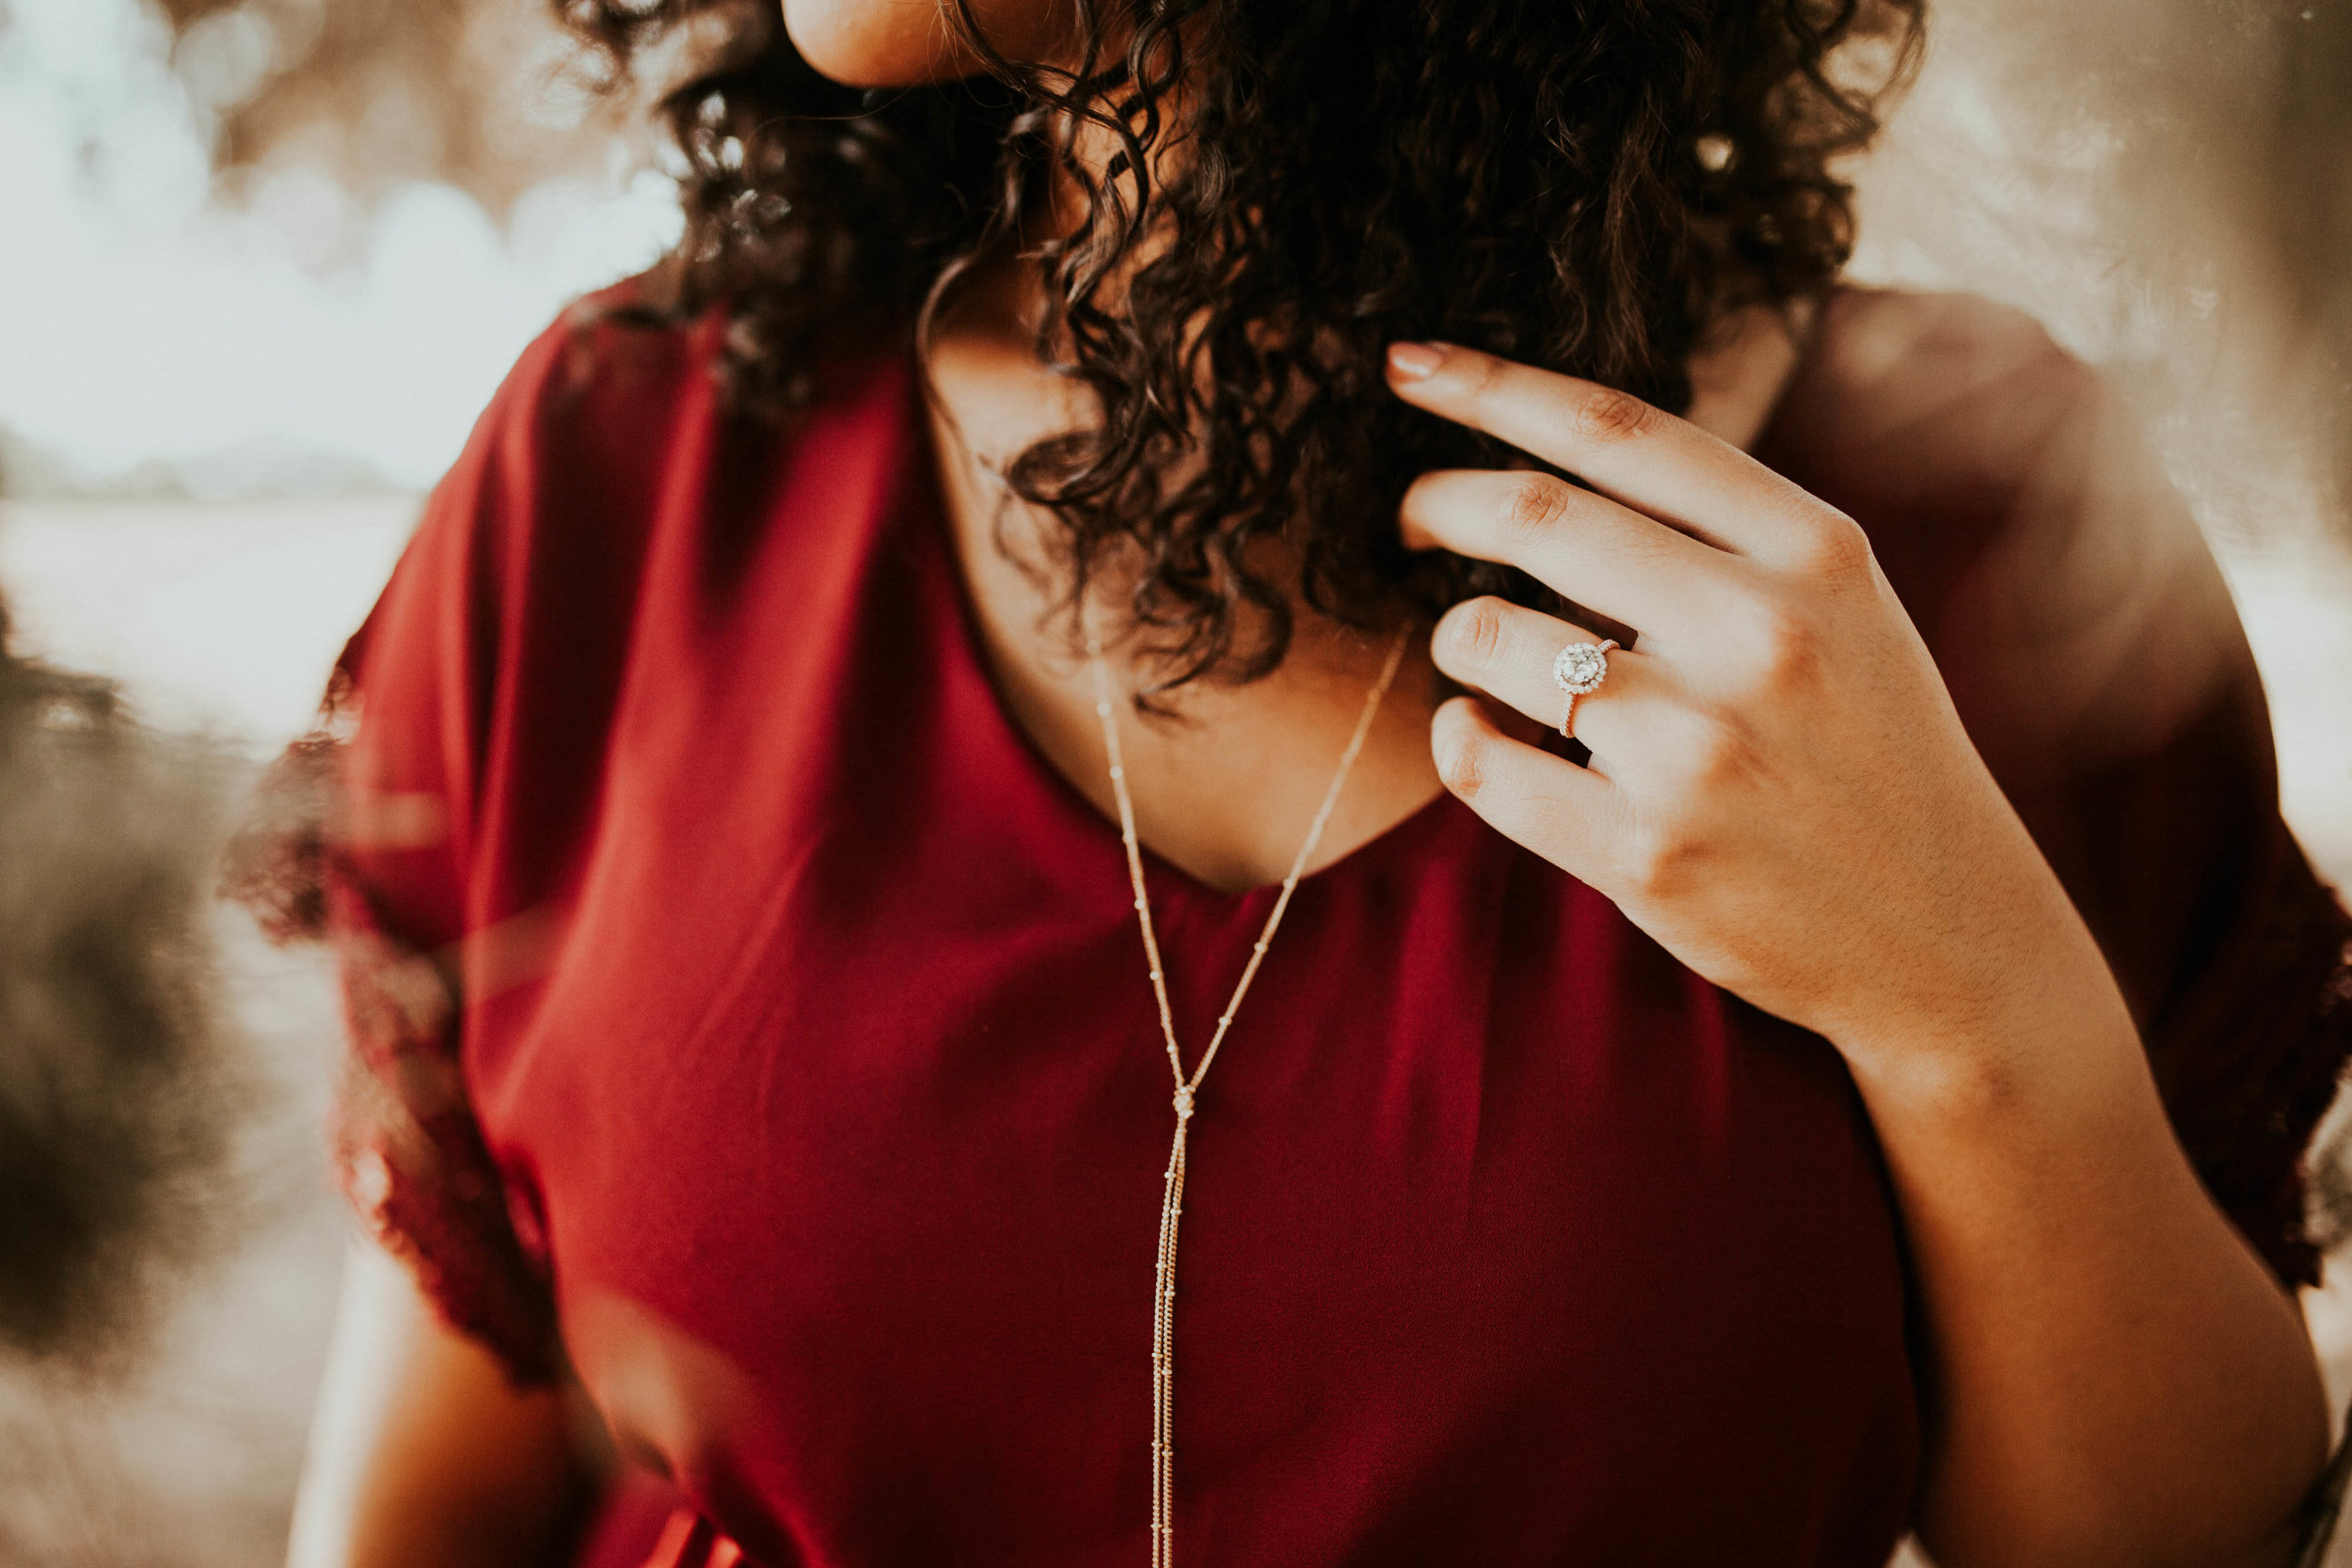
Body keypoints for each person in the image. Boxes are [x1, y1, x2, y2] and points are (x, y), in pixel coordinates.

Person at [256, 1, 2352, 1564]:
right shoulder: (621, 464)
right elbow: (429, 1505)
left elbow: (2179, 1541)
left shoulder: (1944, 526)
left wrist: (1965, 1005)